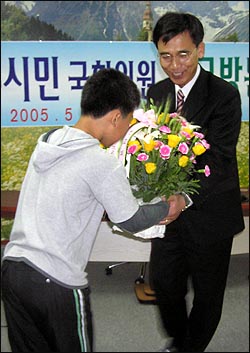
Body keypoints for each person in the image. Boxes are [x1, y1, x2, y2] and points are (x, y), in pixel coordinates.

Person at [1, 68, 187, 352]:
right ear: (115, 116)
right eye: (127, 121)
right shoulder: (99, 161)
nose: (126, 130)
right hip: (56, 281)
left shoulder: (48, 141)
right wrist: (167, 205)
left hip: (14, 269)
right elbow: (131, 220)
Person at [146, 12, 245, 352]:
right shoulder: (157, 93)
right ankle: (179, 338)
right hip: (168, 216)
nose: (174, 65)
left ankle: (190, 347)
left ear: (200, 49)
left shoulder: (224, 95)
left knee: (207, 292)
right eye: (165, 56)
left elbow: (217, 160)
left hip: (209, 211)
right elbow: (150, 151)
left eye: (183, 54)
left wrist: (182, 198)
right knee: (164, 282)